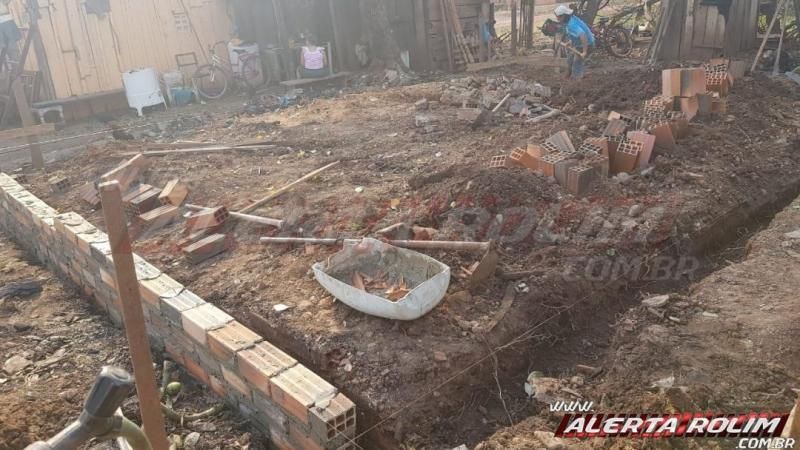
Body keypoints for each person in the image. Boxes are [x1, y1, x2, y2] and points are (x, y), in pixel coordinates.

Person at [555, 5, 595, 79]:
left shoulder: (572, 24)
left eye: (558, 17)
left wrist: (584, 51)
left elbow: (583, 35)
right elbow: (575, 35)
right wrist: (570, 42)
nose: (557, 19)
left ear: (564, 16)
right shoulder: (569, 20)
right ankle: (569, 76)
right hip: (579, 44)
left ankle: (577, 81)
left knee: (577, 62)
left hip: (588, 44)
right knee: (570, 59)